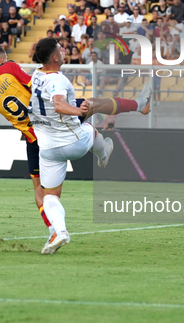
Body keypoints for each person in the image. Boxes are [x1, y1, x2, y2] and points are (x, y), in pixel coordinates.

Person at [0, 42, 152, 253]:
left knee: (41, 193)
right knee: (95, 104)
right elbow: (37, 87)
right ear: (4, 59)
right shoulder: (10, 67)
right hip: (51, 119)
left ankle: (54, 230)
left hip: (34, 139)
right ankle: (139, 106)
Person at [28, 37, 153, 254]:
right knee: (91, 127)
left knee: (50, 195)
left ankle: (61, 232)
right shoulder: (58, 80)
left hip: (47, 150)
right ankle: (103, 154)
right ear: (55, 57)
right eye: (60, 47)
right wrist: (79, 111)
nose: (64, 48)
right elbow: (58, 103)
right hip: (73, 142)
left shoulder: (36, 76)